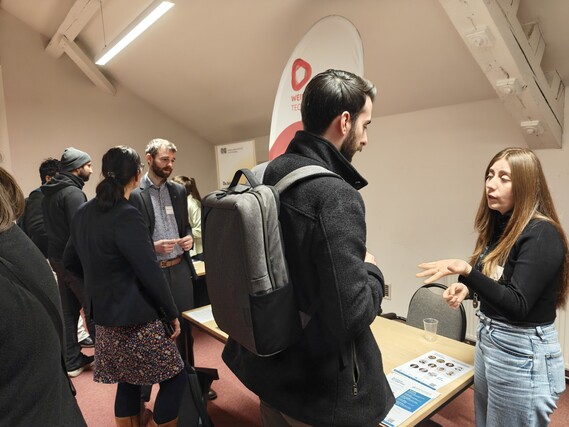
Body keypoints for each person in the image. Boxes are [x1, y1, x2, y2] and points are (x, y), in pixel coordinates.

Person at [222, 69, 395, 426]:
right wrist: (372, 270)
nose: (365, 139)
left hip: (271, 369)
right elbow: (350, 316)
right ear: (344, 122)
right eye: (365, 125)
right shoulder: (335, 196)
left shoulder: (270, 173)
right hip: (318, 392)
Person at [417, 147, 567, 426]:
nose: (490, 184)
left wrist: (467, 271)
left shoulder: (541, 233)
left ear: (525, 185)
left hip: (521, 350)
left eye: (503, 177)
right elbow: (501, 281)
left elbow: (517, 304)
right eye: (489, 175)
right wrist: (469, 290)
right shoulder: (502, 226)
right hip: (491, 340)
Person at [63, 146, 186, 427]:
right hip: (136, 319)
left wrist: (92, 294)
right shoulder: (127, 214)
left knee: (129, 380)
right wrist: (172, 313)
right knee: (175, 378)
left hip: (104, 318)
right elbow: (149, 271)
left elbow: (69, 262)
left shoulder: (83, 212)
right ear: (137, 175)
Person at [0, 167, 87, 426]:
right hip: (56, 409)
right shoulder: (14, 239)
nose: (90, 169)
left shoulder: (44, 198)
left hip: (57, 263)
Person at [130, 138, 199, 401]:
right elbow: (128, 238)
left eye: (172, 160)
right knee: (153, 333)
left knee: (185, 329)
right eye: (164, 160)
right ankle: (146, 394)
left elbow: (186, 226)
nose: (170, 165)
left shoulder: (178, 191)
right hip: (152, 273)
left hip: (179, 269)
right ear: (149, 159)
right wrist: (152, 246)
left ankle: (189, 385)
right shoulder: (135, 194)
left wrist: (189, 238)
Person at [42, 147, 96, 376]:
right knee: (93, 308)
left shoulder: (49, 192)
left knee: (69, 311)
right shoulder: (73, 194)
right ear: (77, 168)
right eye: (88, 165)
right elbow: (80, 233)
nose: (91, 170)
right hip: (74, 262)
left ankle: (72, 360)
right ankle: (109, 361)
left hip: (57, 258)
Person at [19, 157, 60, 257]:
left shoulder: (47, 198)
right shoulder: (38, 198)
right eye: (61, 177)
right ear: (48, 178)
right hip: (47, 258)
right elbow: (38, 232)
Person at [172, 175, 203, 260]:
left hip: (197, 252)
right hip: (185, 250)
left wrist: (183, 233)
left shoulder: (193, 205)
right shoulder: (180, 202)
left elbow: (200, 230)